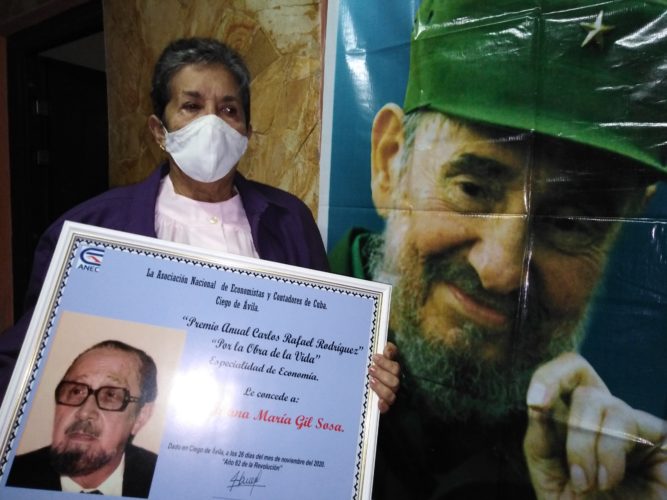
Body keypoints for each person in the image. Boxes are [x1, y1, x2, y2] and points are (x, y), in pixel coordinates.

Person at [329, 0, 667, 498]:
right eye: (471, 189)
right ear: (390, 165)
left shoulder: (593, 466)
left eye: (568, 222)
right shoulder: (262, 358)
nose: (501, 271)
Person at [0, 37, 400, 410]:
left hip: (267, 435)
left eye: (228, 110)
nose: (213, 124)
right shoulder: (94, 229)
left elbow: (326, 342)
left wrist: (366, 379)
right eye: (191, 106)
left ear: (246, 133)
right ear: (159, 130)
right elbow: (25, 359)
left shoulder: (289, 219)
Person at [6, 340, 158, 497]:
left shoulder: (162, 480)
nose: (84, 413)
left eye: (110, 395)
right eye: (76, 391)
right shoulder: (9, 476)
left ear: (141, 416)